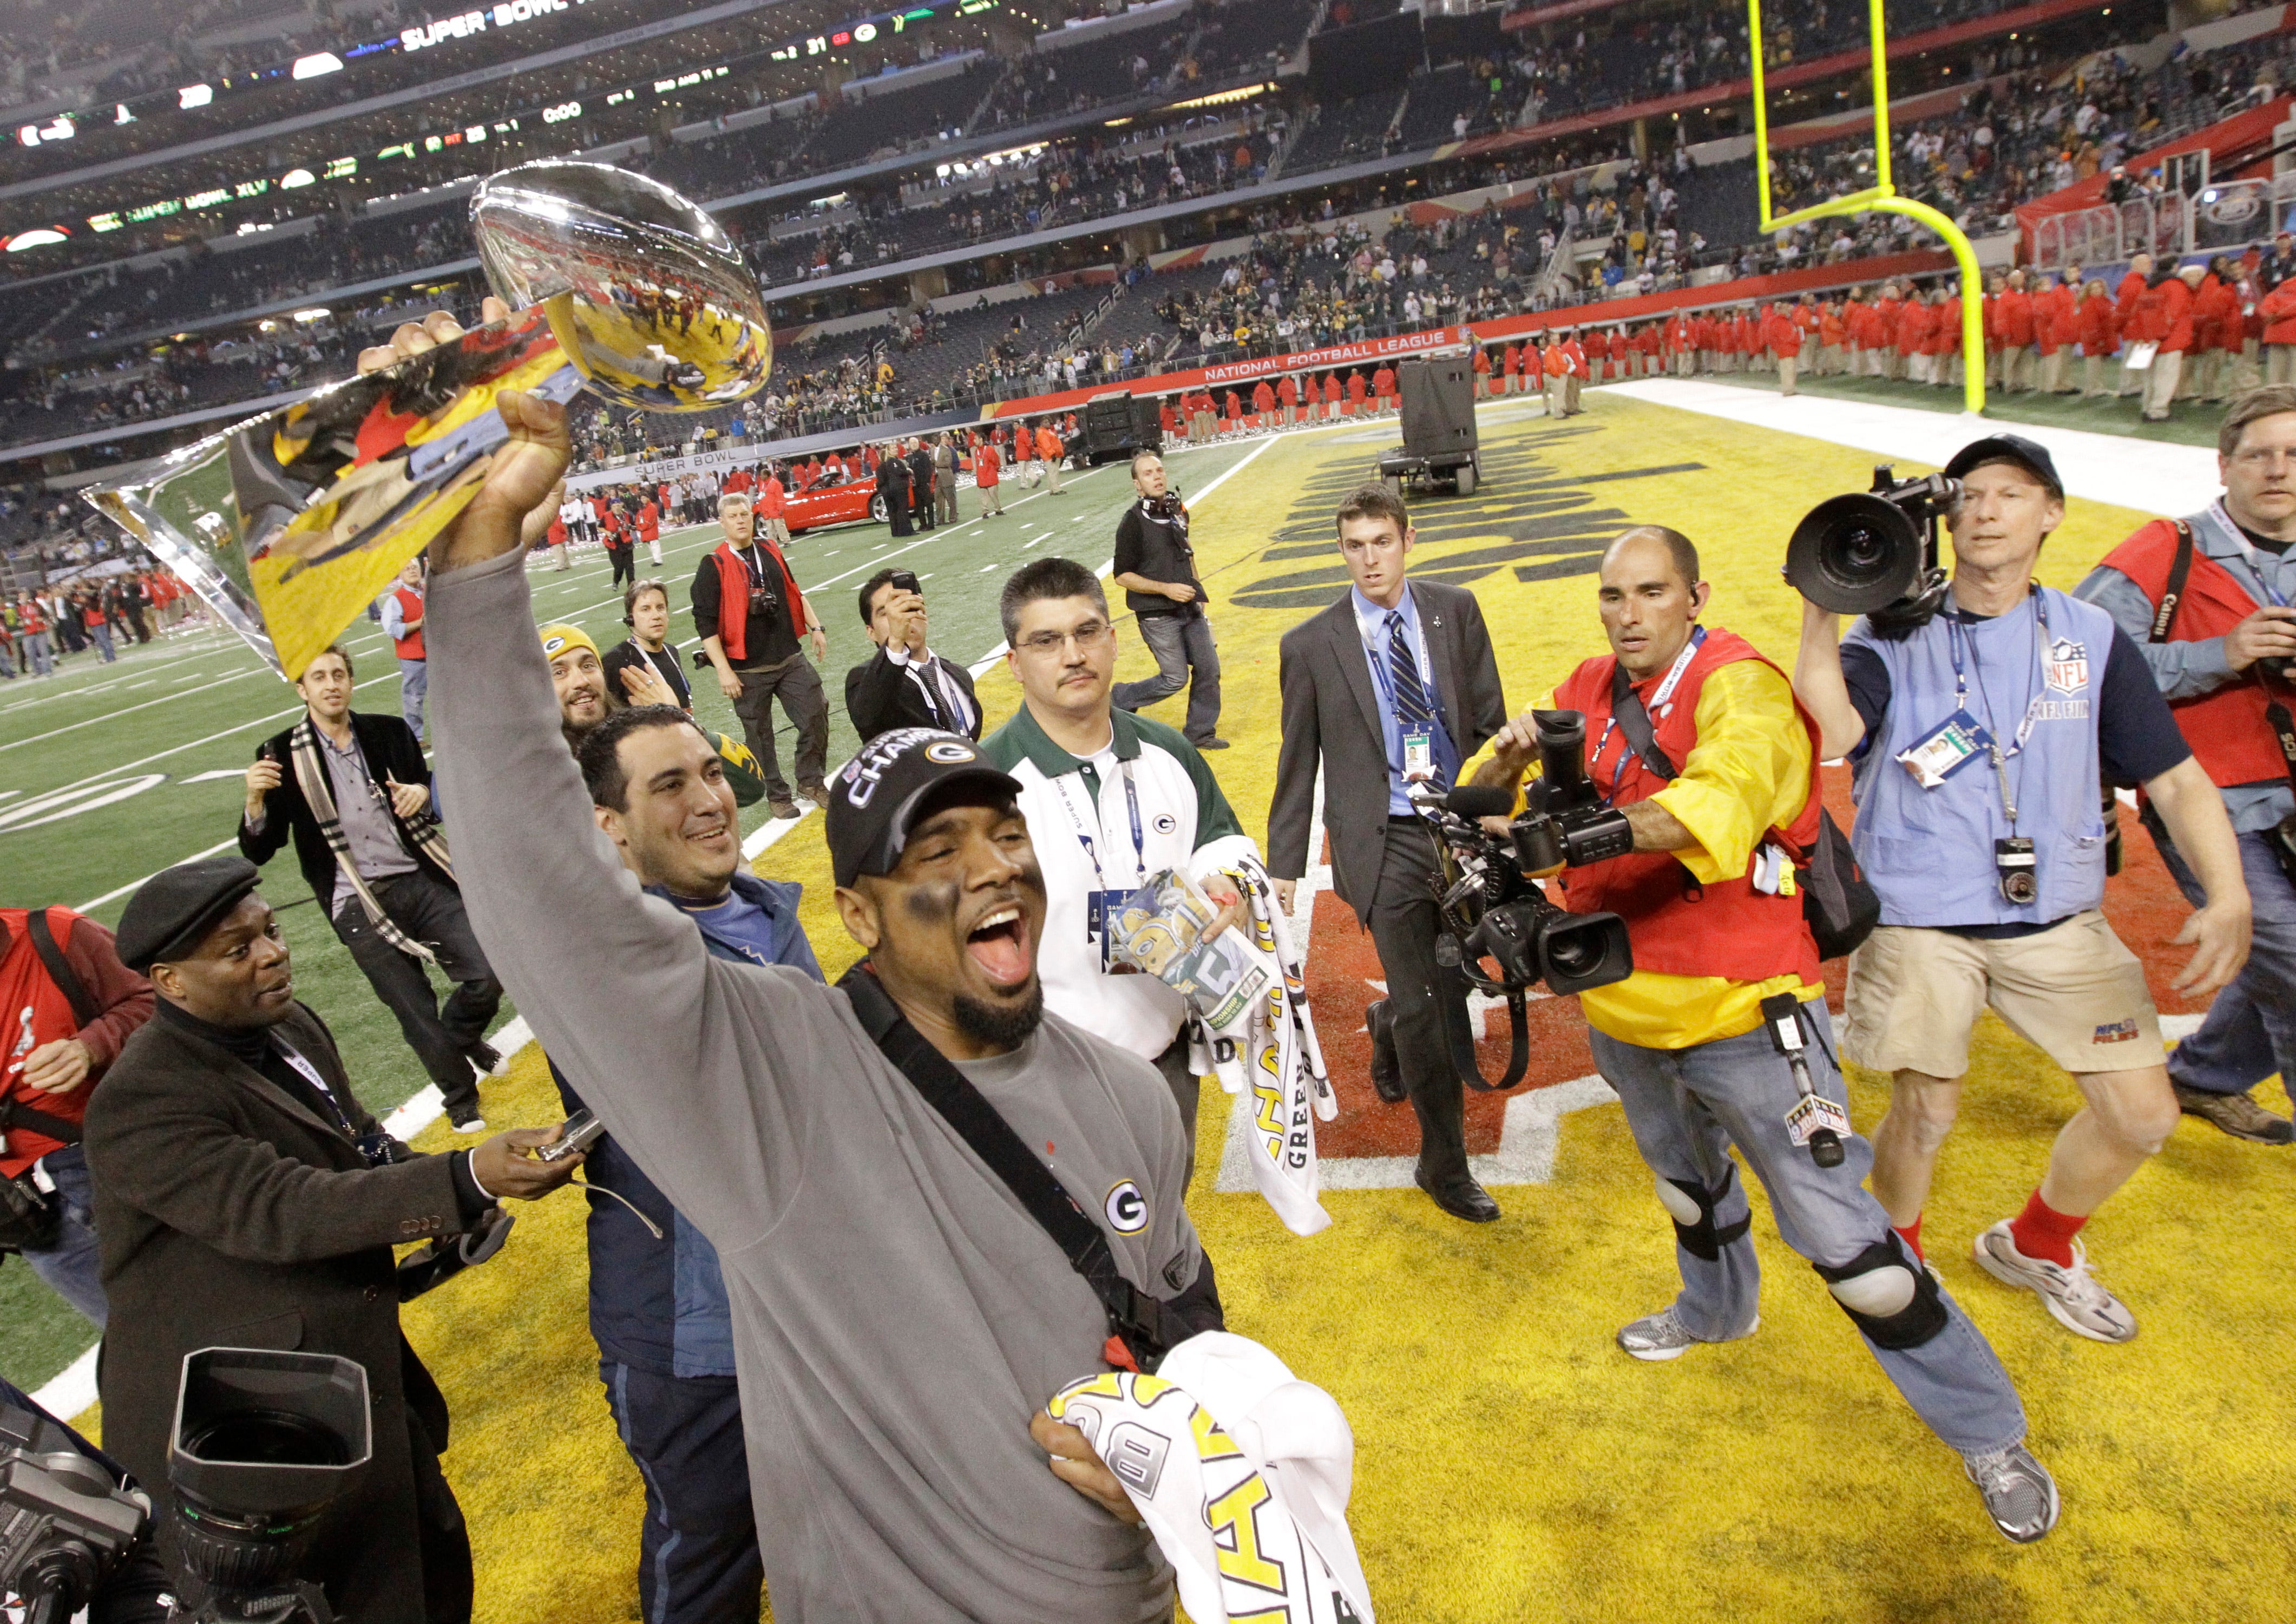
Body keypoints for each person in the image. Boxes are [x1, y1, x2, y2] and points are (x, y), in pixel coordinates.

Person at [419, 376, 1222, 1621]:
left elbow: (1181, 1317)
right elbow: (547, 903)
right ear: (855, 914)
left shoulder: (1126, 1092)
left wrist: (1177, 1445)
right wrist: (474, 582)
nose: (988, 870)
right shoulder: (782, 1076)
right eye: (932, 855)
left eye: (1000, 836)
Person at [1461, 526, 2057, 1541]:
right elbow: (1489, 803)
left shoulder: (1741, 684)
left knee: (1847, 1245)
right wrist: (1508, 755)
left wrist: (1581, 835)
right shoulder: (1591, 682)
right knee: (1686, 1189)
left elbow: (1724, 797)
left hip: (1747, 1013)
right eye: (1613, 596)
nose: (1628, 614)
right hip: (1623, 1003)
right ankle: (1713, 1311)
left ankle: (1989, 1433)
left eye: (1650, 592)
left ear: (1696, 594)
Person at [1793, 434, 2250, 1344]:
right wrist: (1823, 608)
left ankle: (2035, 1244)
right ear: (1946, 519)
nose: (1987, 508)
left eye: (2013, 492)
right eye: (1970, 494)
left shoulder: (2089, 635)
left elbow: (2176, 781)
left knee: (2143, 1114)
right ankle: (1900, 1266)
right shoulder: (1890, 635)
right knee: (1923, 1110)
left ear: (2051, 514)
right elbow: (1835, 727)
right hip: (1923, 916)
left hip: (2056, 916)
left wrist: (2227, 893)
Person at [87, 854, 581, 1623]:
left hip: (343, 1380)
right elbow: (282, 1208)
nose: (272, 953)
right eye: (236, 949)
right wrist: (464, 1181)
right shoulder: (141, 1099)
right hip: (243, 1441)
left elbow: (359, 1144)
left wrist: (451, 1199)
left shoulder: (287, 1024)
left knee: (429, 1563)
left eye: (271, 931)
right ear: (169, 980)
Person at [567, 701, 825, 1624]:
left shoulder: (766, 910)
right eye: (668, 785)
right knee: (711, 1563)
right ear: (611, 827)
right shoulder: (609, 956)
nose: (708, 798)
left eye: (711, 772)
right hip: (697, 1338)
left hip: (813, 1308)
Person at [1269, 483, 1508, 1221]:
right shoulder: (1309, 645)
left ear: (1409, 538)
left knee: (1453, 983)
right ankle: (1443, 1166)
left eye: (1381, 541)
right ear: (1340, 550)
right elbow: (1296, 761)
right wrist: (1282, 870)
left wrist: (1492, 808)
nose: (1369, 559)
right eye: (1354, 545)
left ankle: (1387, 1029)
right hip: (1384, 840)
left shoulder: (1455, 609)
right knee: (1431, 1008)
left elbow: (1488, 718)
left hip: (1454, 826)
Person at [984, 558, 1257, 1179]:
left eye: (1087, 633)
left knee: (1167, 1227)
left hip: (1165, 1058)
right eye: (1047, 641)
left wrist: (1230, 883)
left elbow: (1221, 839)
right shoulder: (986, 786)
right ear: (1015, 662)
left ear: (1113, 640)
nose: (1073, 654)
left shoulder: (1170, 751)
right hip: (1046, 1078)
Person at [2074, 387, 2296, 1143]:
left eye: (2293, 454)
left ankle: (2201, 1075)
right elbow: (2079, 662)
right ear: (2223, 465)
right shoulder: (2164, 551)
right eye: (2259, 454)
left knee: (2280, 954)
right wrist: (2220, 655)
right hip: (2205, 795)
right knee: (2291, 957)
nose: (2277, 470)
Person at [239, 645, 505, 1131]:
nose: (331, 684)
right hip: (353, 896)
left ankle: (461, 1034)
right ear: (302, 689)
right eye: (318, 677)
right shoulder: (279, 753)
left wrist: (421, 793)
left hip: (419, 876)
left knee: (487, 971)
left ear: (351, 681)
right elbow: (262, 848)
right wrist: (256, 799)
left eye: (338, 673)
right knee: (411, 1006)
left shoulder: (389, 731)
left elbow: (427, 793)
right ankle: (460, 1098)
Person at [1, 902, 153, 1327]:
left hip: (117, 1161)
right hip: (29, 1214)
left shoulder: (56, 935)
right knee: (146, 1348)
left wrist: (92, 1045)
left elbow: (164, 999)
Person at [692, 491, 830, 820]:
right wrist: (724, 671)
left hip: (789, 657)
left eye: (745, 514)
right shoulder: (714, 565)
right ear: (722, 522)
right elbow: (705, 625)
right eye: (734, 516)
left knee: (816, 714)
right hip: (747, 669)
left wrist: (816, 627)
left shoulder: (769, 548)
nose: (741, 521)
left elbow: (794, 590)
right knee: (760, 737)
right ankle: (777, 795)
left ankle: (810, 781)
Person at [1111, 451, 1225, 750]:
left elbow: (1188, 553)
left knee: (1209, 669)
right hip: (1156, 614)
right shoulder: (1133, 522)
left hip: (1189, 608)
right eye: (1148, 473)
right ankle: (1122, 697)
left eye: (1160, 470)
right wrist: (1167, 589)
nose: (1157, 476)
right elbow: (1122, 575)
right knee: (1175, 679)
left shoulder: (1177, 510)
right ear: (1138, 485)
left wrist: (1196, 591)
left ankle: (1200, 733)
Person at [846, 567, 981, 744]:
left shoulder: (958, 675)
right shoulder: (864, 680)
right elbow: (869, 718)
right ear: (871, 632)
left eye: (908, 606)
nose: (901, 618)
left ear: (923, 611)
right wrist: (896, 641)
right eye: (887, 613)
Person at [603, 577, 693, 711]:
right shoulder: (616, 661)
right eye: (646, 609)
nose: (656, 615)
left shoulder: (671, 651)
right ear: (630, 618)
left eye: (660, 607)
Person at [381, 558, 430, 744]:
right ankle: (415, 738)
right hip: (413, 657)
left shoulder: (427, 591)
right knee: (414, 699)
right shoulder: (396, 598)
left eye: (415, 568)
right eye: (407, 569)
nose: (412, 571)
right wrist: (420, 623)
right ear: (400, 574)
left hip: (435, 652)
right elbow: (392, 628)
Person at [878, 438, 913, 538]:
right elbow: (899, 472)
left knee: (902, 509)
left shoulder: (894, 460)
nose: (896, 449)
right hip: (898, 488)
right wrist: (909, 472)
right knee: (902, 509)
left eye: (896, 448)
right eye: (893, 448)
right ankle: (905, 531)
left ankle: (904, 530)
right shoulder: (891, 461)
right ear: (888, 451)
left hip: (898, 488)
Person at [975, 431, 1005, 518]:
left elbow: (996, 460)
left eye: (976, 439)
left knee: (994, 495)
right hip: (982, 476)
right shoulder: (976, 451)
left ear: (981, 439)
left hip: (990, 476)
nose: (974, 441)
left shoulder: (989, 449)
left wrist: (995, 470)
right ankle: (985, 512)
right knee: (984, 496)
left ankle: (998, 509)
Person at [933, 434, 959, 526]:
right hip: (937, 478)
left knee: (951, 499)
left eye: (938, 439)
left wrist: (936, 464)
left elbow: (948, 463)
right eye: (934, 439)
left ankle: (953, 518)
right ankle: (940, 520)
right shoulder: (932, 450)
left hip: (946, 477)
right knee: (938, 499)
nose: (936, 441)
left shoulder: (947, 450)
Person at [1035, 418, 1065, 494]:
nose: (1048, 423)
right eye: (1045, 422)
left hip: (1053, 454)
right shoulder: (1042, 433)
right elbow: (1046, 445)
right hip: (1050, 456)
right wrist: (1052, 454)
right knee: (1053, 473)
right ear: (1041, 423)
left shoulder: (1047, 431)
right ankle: (1056, 490)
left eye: (1048, 422)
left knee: (1053, 473)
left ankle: (1052, 489)